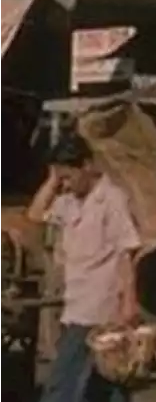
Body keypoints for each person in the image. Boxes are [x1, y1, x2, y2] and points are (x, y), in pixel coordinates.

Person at [28, 134, 142, 402]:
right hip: (76, 302)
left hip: (98, 305)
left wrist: (129, 301)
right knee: (104, 382)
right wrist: (52, 181)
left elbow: (126, 253)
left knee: (62, 382)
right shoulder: (68, 202)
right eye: (62, 179)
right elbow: (35, 214)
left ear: (87, 166)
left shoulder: (112, 199)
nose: (65, 184)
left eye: (69, 176)